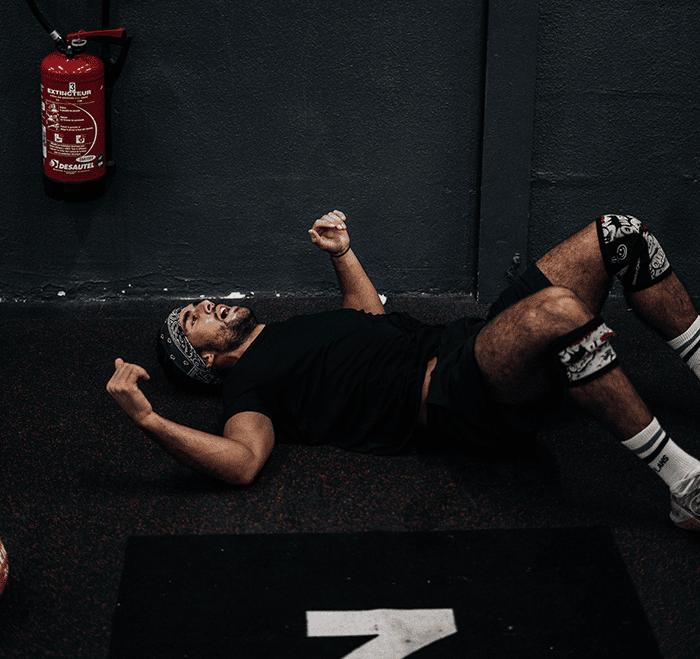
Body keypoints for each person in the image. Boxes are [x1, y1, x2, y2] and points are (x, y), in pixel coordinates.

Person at [107, 209, 700, 530]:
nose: (205, 305)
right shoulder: (247, 386)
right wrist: (150, 421)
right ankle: (685, 486)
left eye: (197, 304)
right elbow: (241, 465)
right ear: (205, 359)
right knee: (562, 313)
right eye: (193, 319)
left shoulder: (284, 332)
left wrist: (344, 255)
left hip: (465, 339)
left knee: (619, 234)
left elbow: (370, 319)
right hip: (453, 392)